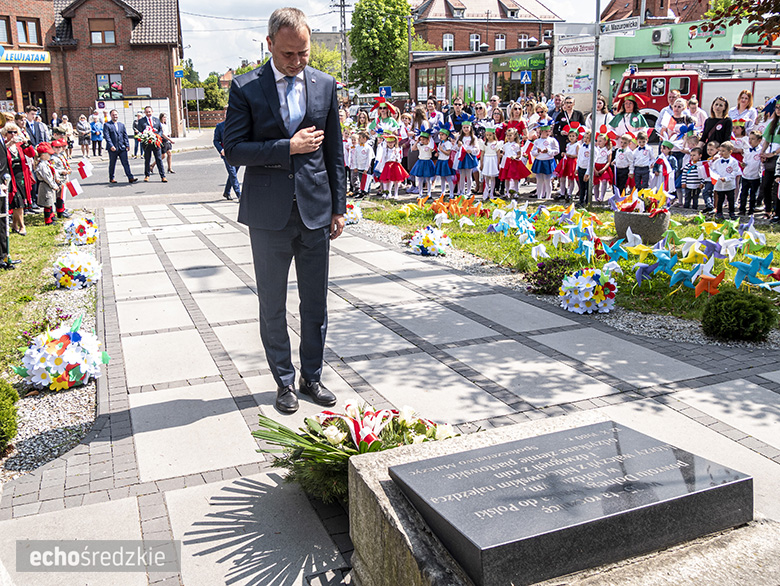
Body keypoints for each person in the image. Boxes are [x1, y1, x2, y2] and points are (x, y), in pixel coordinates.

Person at [222, 6, 345, 414]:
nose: (297, 62)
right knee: (272, 303)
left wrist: (339, 208)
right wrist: (286, 147)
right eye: (289, 54)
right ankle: (284, 382)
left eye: (304, 53)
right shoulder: (246, 87)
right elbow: (234, 149)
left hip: (315, 210)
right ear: (270, 43)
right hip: (268, 215)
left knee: (315, 303)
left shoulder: (325, 85)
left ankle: (313, 376)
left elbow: (334, 153)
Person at [3, 122, 33, 237]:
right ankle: (22, 226)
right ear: (6, 134)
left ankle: (15, 225)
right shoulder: (4, 145)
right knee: (17, 201)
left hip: (21, 175)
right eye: (10, 132)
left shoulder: (20, 144)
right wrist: (10, 143)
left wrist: (26, 142)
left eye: (15, 132)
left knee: (19, 201)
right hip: (10, 176)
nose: (13, 134)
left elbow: (31, 154)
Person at [103, 109, 138, 184]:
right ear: (111, 116)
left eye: (116, 115)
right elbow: (107, 136)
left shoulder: (121, 125)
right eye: (113, 115)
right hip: (113, 148)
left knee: (125, 163)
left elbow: (125, 135)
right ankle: (111, 178)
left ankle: (130, 177)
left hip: (122, 147)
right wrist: (111, 145)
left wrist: (127, 145)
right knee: (112, 163)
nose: (115, 116)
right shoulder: (107, 125)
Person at [214, 114, 241, 200]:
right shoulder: (220, 126)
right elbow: (215, 141)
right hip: (226, 154)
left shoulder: (237, 125)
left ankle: (226, 192)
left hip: (237, 153)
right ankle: (239, 194)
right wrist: (221, 150)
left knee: (233, 174)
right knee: (233, 174)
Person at [711, 141, 741, 220]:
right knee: (720, 199)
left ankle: (731, 212)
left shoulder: (734, 162)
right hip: (720, 185)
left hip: (730, 185)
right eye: (720, 150)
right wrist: (717, 177)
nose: (721, 153)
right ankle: (719, 212)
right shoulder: (717, 162)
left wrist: (726, 178)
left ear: (730, 152)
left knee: (731, 199)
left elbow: (735, 172)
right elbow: (713, 170)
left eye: (723, 151)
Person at [137, 105, 167, 182]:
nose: (148, 113)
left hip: (156, 142)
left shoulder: (156, 120)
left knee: (159, 159)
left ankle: (163, 176)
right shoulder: (141, 121)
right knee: (147, 159)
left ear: (152, 112)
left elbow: (160, 130)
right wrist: (145, 135)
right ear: (145, 112)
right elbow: (140, 130)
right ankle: (147, 175)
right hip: (147, 143)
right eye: (147, 112)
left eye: (149, 112)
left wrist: (158, 136)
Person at [35, 142, 61, 225]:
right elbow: (47, 178)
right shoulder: (42, 165)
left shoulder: (47, 163)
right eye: (48, 154)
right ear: (43, 155)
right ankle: (48, 220)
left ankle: (51, 216)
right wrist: (53, 185)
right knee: (47, 203)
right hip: (45, 185)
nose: (50, 155)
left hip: (48, 185)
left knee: (50, 201)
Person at [531, 124, 559, 199]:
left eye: (549, 131)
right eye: (546, 131)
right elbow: (533, 152)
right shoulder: (537, 141)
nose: (548, 133)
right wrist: (538, 151)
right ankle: (539, 196)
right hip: (539, 161)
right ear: (541, 131)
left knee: (547, 180)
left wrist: (548, 151)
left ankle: (548, 196)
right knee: (539, 180)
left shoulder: (552, 140)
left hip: (548, 161)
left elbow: (557, 151)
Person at [739, 130, 762, 215]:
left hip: (755, 176)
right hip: (746, 175)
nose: (750, 141)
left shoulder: (761, 151)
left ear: (759, 140)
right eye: (749, 138)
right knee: (743, 193)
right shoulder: (747, 150)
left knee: (753, 194)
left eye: (753, 139)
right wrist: (743, 164)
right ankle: (742, 209)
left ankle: (751, 210)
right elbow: (745, 160)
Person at [576, 130, 592, 206]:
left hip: (587, 169)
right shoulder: (582, 146)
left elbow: (591, 162)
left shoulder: (591, 149)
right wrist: (577, 167)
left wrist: (588, 173)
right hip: (580, 168)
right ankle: (581, 200)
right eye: (584, 137)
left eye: (587, 138)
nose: (585, 139)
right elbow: (579, 157)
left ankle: (587, 201)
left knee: (587, 187)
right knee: (581, 186)